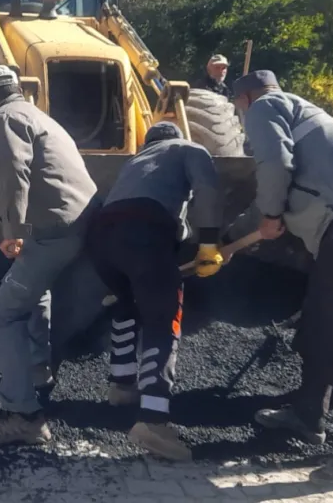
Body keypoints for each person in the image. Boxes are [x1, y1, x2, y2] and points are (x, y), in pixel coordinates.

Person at [226, 69, 333, 488]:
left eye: (237, 108)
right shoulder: (302, 111)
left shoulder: (265, 106)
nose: (240, 116)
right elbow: (284, 185)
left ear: (245, 98)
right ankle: (308, 414)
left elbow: (275, 164)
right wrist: (235, 236)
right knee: (322, 320)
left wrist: (270, 215)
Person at [0, 64, 98, 446]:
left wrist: (13, 233)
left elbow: (13, 174)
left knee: (3, 316)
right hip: (79, 224)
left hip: (51, 232)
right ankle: (37, 372)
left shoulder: (3, 118)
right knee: (35, 291)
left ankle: (23, 416)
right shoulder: (37, 115)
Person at [86, 122, 225, 461]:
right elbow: (207, 190)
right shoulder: (189, 149)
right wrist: (209, 243)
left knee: (126, 304)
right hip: (145, 232)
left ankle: (122, 386)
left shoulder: (134, 162)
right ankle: (153, 419)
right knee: (163, 319)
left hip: (102, 239)